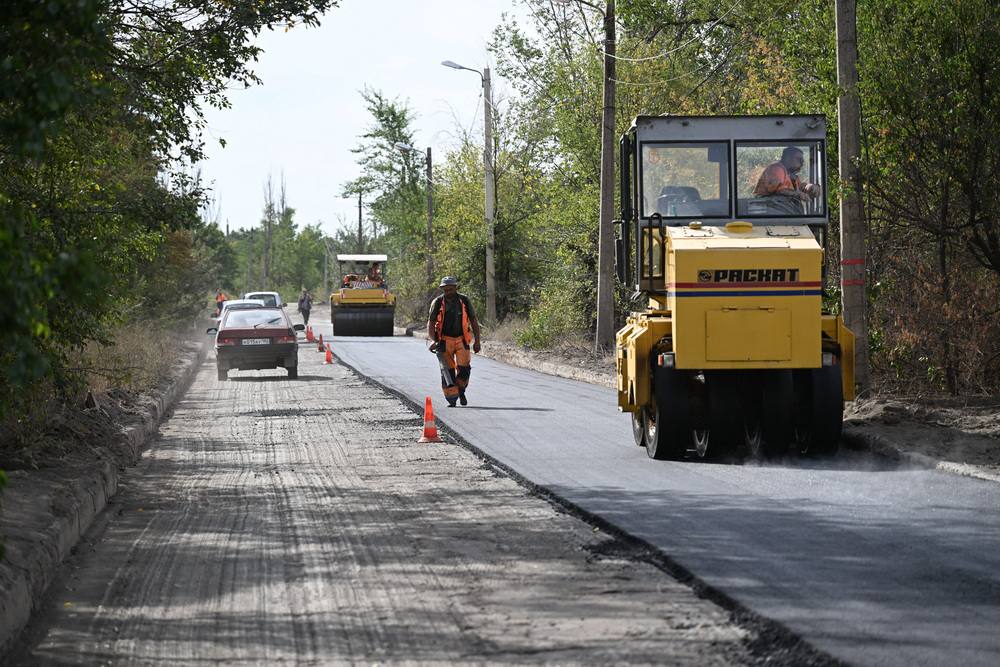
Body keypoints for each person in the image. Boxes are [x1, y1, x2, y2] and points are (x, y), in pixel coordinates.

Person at [427, 276, 482, 407]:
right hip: (444, 341)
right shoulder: (438, 302)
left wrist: (477, 341)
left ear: (455, 288)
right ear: (442, 289)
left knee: (464, 370)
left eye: (450, 289)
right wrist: (434, 340)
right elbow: (431, 322)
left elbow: (473, 321)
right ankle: (452, 400)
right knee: (447, 372)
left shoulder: (464, 300)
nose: (448, 292)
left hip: (462, 339)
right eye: (445, 290)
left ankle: (461, 391)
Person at [752, 146, 821, 210]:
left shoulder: (792, 175)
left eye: (802, 160)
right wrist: (799, 194)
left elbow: (798, 189)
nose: (802, 162)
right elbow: (778, 190)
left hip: (783, 212)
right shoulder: (776, 169)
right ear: (787, 158)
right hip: (768, 211)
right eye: (798, 159)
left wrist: (810, 187)